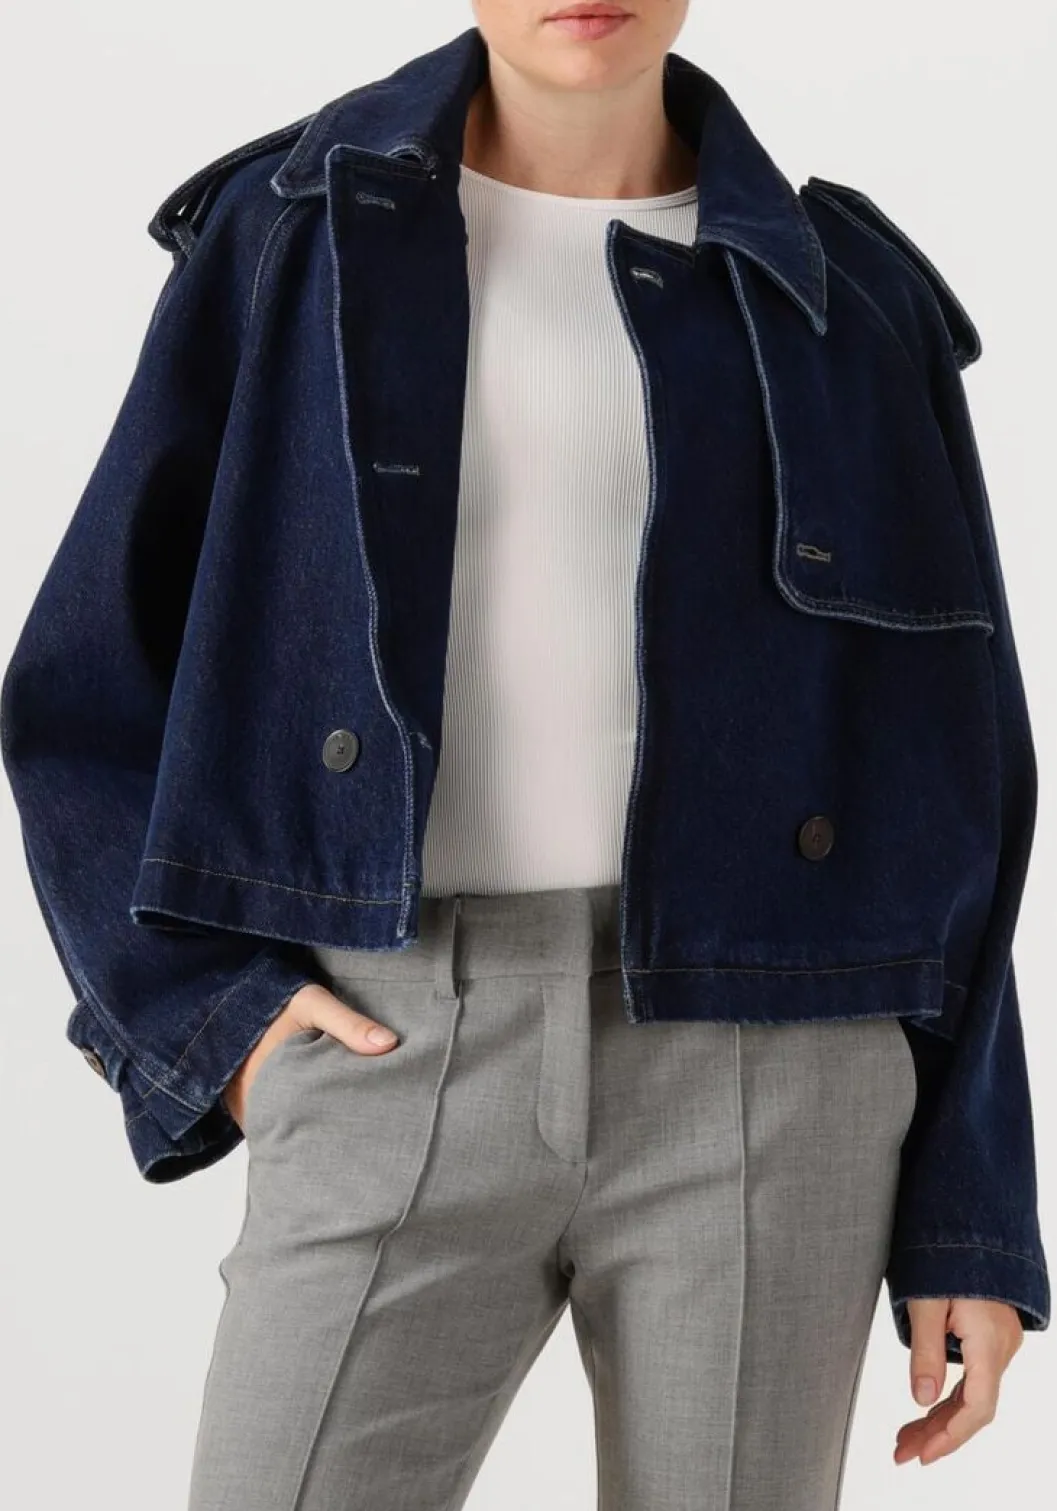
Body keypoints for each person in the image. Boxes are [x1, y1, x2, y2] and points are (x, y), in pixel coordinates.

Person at [1, 3, 1049, 1506]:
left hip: (776, 1069)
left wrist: (971, 1208)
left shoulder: (848, 300)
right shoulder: (291, 237)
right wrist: (212, 1024)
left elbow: (960, 779)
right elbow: (84, 682)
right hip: (390, 1037)